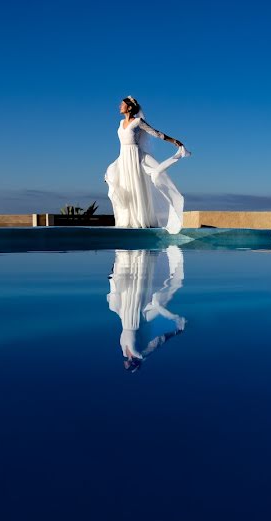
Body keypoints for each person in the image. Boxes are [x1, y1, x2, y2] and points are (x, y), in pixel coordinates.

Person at [105, 96, 191, 233]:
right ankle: (128, 220)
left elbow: (155, 133)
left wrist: (173, 140)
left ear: (130, 107)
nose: (119, 106)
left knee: (135, 186)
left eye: (122, 104)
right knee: (122, 185)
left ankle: (139, 220)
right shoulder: (121, 123)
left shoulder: (138, 122)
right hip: (124, 157)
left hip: (135, 157)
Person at [106, 247, 187, 373]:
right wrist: (173, 333)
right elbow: (157, 342)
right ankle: (143, 260)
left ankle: (123, 266)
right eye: (128, 366)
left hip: (126, 316)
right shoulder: (140, 354)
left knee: (116, 300)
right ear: (132, 364)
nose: (125, 365)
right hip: (136, 319)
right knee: (154, 301)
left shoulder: (124, 351)